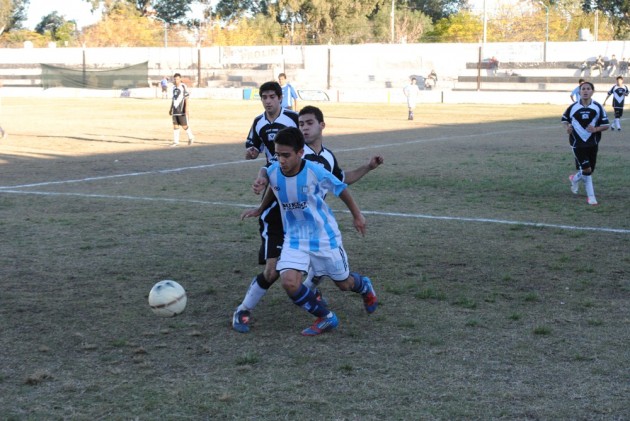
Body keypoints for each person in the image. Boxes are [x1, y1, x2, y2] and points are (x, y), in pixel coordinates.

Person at [232, 106, 384, 333]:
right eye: (278, 155)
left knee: (343, 284)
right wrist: (260, 206)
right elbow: (271, 178)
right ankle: (326, 316)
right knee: (288, 281)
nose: (280, 160)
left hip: (323, 236)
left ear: (300, 153)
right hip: (294, 235)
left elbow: (341, 187)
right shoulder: (277, 167)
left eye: (285, 155)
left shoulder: (317, 167)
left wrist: (357, 215)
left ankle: (363, 286)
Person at [232, 81, 300, 332]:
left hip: (296, 190)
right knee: (273, 270)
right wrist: (252, 153)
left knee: (313, 261)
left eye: (272, 96)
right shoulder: (259, 122)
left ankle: (309, 292)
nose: (268, 101)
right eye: (264, 97)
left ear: (281, 98)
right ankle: (243, 309)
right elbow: (255, 148)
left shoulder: (294, 118)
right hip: (276, 192)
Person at [562, 81, 610, 206]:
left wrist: (595, 129)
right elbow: (565, 120)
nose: (585, 91)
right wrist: (567, 127)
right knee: (587, 170)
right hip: (577, 143)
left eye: (588, 88)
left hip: (592, 143)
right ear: (579, 91)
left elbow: (606, 125)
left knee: (589, 170)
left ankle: (574, 178)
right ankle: (591, 197)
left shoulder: (597, 107)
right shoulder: (573, 107)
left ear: (592, 91)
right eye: (583, 88)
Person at [169, 73, 195, 146]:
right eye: (175, 79)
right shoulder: (173, 88)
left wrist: (186, 108)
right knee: (175, 125)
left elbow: (186, 98)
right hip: (175, 110)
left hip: (181, 110)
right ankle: (176, 142)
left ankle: (191, 137)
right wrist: (171, 108)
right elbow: (173, 99)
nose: (176, 80)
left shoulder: (183, 86)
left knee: (184, 126)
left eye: (177, 79)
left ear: (180, 79)